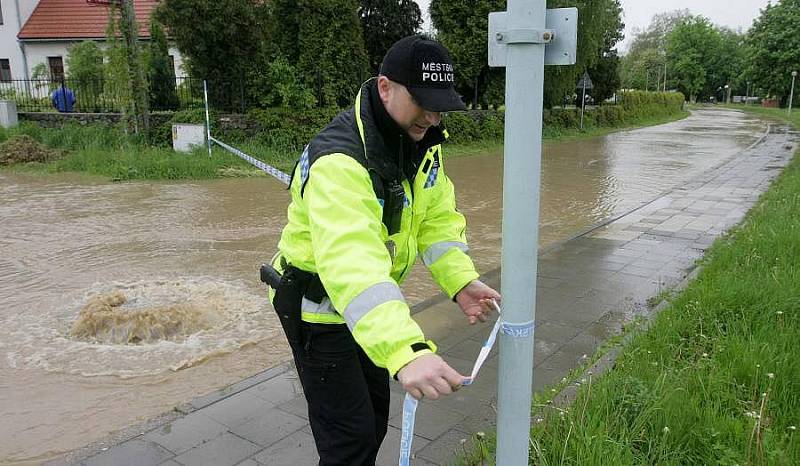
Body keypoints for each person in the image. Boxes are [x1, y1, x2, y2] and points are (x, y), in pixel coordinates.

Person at [269, 34, 501, 466]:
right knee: (349, 439)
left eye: (440, 106)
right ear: (385, 87)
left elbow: (437, 221)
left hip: (365, 308)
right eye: (423, 102)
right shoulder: (340, 161)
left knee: (373, 421)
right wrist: (406, 351)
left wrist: (460, 280)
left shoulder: (421, 144)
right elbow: (353, 264)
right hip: (316, 307)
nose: (432, 117)